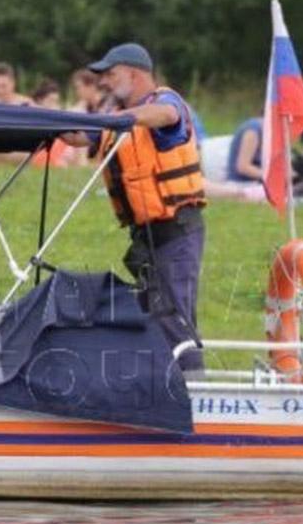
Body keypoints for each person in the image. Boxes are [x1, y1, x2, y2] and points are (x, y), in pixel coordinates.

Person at [65, 42, 206, 372]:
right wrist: (37, 119)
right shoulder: (114, 118)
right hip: (145, 237)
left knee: (174, 317)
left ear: (134, 73)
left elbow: (166, 116)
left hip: (177, 232)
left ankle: (198, 397)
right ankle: (160, 385)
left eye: (110, 75)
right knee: (150, 315)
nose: (105, 82)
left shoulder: (165, 103)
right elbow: (75, 137)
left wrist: (117, 119)